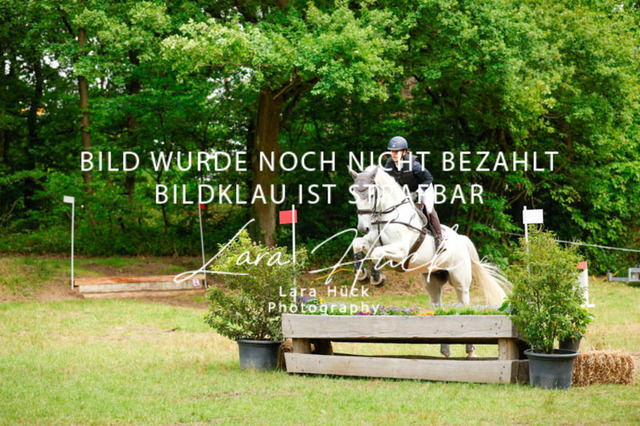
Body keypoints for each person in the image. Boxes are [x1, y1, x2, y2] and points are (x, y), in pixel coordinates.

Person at [383, 136, 443, 249]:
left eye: (397, 151)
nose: (394, 154)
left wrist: (418, 192)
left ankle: (439, 238)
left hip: (423, 188)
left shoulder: (413, 165)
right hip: (407, 190)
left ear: (404, 152)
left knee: (429, 209)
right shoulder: (389, 164)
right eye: (392, 151)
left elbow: (428, 178)